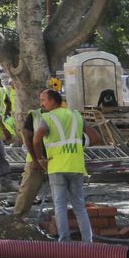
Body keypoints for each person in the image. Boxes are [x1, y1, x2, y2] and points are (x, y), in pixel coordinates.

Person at [34, 88, 93, 243]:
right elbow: (95, 137)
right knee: (79, 207)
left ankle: (64, 242)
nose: (41, 104)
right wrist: (79, 147)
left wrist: (40, 159)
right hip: (76, 166)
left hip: (57, 167)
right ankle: (88, 243)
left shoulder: (48, 118)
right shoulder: (76, 115)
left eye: (43, 100)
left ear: (53, 101)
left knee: (60, 206)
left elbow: (36, 140)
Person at [12, 93, 47, 218]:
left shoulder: (61, 116)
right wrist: (36, 160)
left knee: (60, 195)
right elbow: (28, 138)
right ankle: (17, 219)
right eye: (41, 100)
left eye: (44, 100)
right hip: (37, 160)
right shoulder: (35, 115)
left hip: (56, 160)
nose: (42, 103)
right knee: (27, 191)